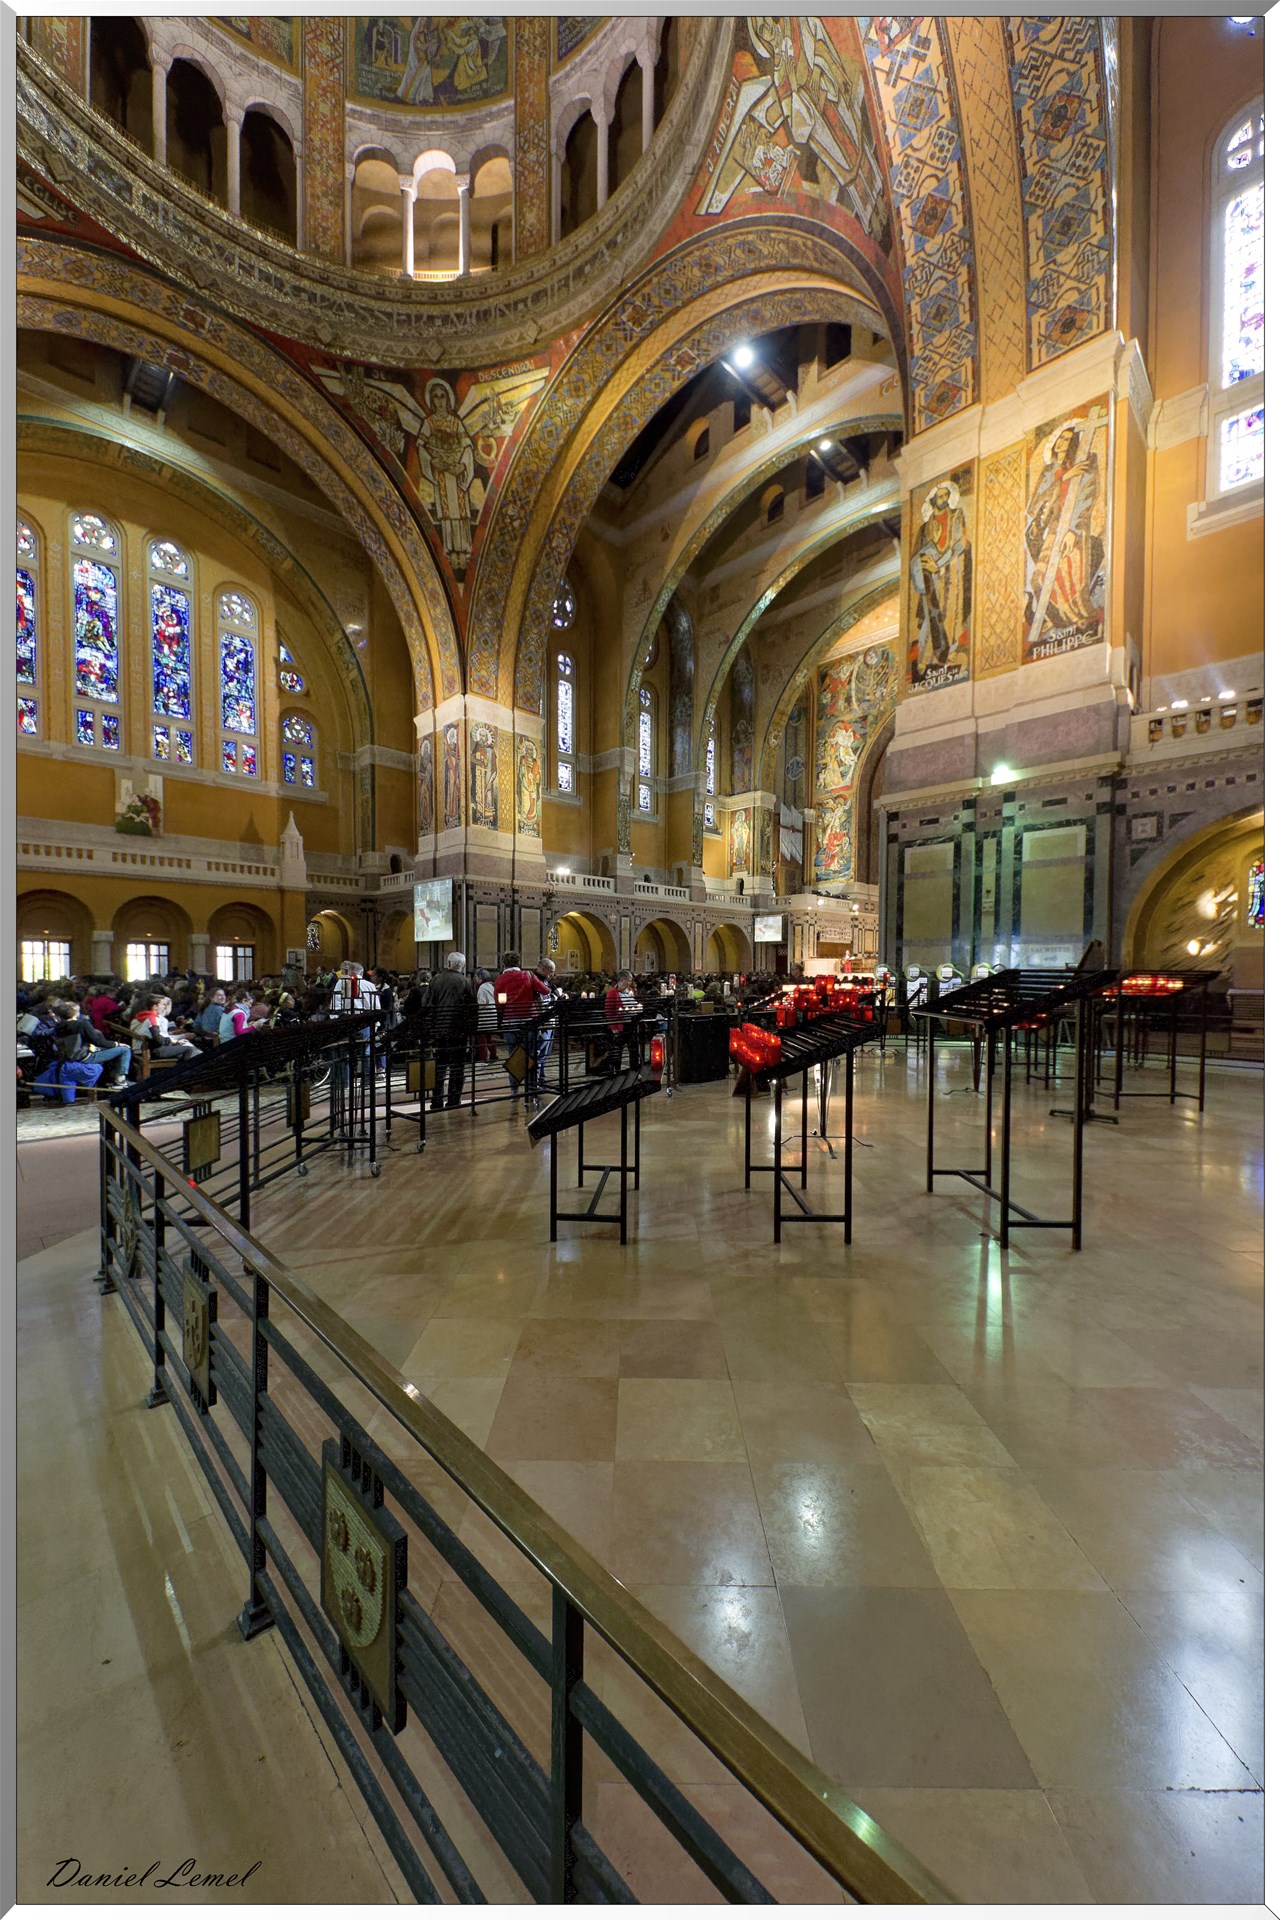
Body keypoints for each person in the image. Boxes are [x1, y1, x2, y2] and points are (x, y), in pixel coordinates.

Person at [425, 951, 475, 1111]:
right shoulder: (465, 982)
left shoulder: (436, 980)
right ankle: (454, 1100)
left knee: (439, 1066)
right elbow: (472, 1008)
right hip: (458, 1032)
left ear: (448, 963)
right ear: (463, 966)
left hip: (439, 1031)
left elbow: (426, 1003)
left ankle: (436, 1100)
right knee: (457, 1067)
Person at [493, 950, 548, 1095]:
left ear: (503, 964)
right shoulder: (528, 975)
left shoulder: (500, 980)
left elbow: (500, 1003)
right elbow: (545, 990)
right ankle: (531, 1088)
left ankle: (514, 1089)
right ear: (519, 962)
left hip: (510, 1022)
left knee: (514, 1056)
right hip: (529, 1021)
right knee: (531, 1054)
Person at [48, 1000, 133, 1090]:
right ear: (75, 1012)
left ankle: (112, 1078)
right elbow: (98, 1042)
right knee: (125, 1050)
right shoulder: (82, 1024)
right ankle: (120, 1081)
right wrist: (117, 1044)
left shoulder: (58, 1028)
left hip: (69, 1057)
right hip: (84, 1056)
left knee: (108, 1050)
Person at [604, 970, 640, 1075]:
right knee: (618, 1050)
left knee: (633, 1048)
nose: (630, 983)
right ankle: (617, 1072)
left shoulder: (630, 991)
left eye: (630, 981)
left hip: (631, 1024)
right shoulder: (612, 993)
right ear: (621, 980)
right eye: (628, 981)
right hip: (620, 1026)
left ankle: (634, 1070)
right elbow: (609, 1012)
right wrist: (613, 1027)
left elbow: (633, 1004)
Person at [474, 968, 497, 1061]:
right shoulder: (490, 986)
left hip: (485, 1015)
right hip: (493, 1015)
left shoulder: (482, 988)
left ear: (480, 977)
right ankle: (493, 1055)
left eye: (476, 977)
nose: (475, 979)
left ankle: (483, 1058)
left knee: (481, 1037)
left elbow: (482, 1003)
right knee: (489, 1037)